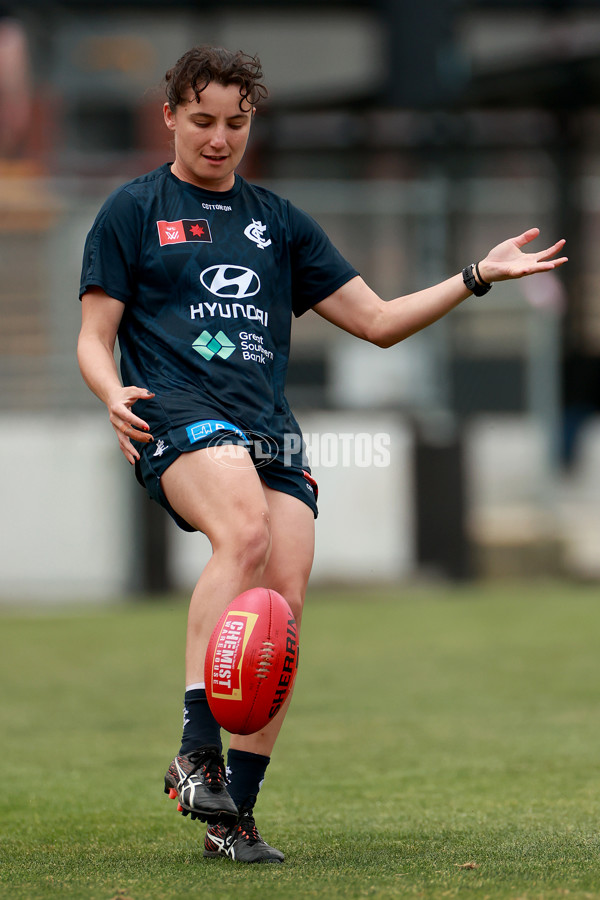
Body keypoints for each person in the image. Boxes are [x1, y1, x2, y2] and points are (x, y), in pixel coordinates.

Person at [77, 45, 567, 864]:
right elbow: (94, 337)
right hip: (175, 414)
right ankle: (195, 750)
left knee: (281, 614)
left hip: (269, 429)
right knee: (244, 533)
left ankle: (234, 817)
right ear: (169, 116)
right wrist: (107, 390)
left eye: (236, 123)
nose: (219, 139)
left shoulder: (279, 220)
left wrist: (476, 275)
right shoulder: (131, 211)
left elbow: (376, 321)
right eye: (201, 121)